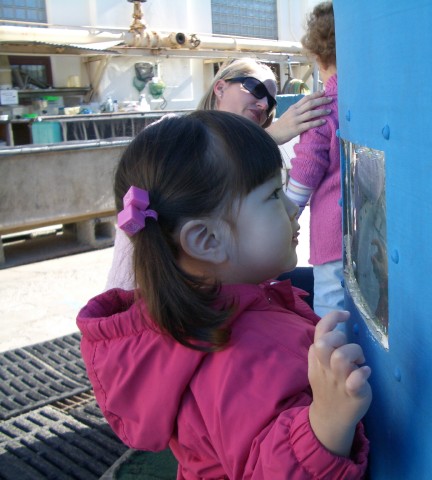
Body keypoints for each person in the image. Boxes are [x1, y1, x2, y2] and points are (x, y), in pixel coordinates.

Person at [77, 111, 372, 479]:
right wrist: (327, 420)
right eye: (273, 194)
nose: (291, 208)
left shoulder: (205, 317)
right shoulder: (239, 356)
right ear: (207, 240)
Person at [105, 57, 332, 290]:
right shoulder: (170, 136)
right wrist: (268, 137)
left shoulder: (244, 158)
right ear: (220, 88)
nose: (264, 104)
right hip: (155, 298)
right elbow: (193, 168)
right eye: (255, 88)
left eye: (271, 102)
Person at [284, 2, 343, 317]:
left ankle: (326, 366)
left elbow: (303, 175)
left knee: (329, 314)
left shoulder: (322, 107)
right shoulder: (378, 104)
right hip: (375, 235)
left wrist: (286, 217)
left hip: (331, 239)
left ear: (319, 57)